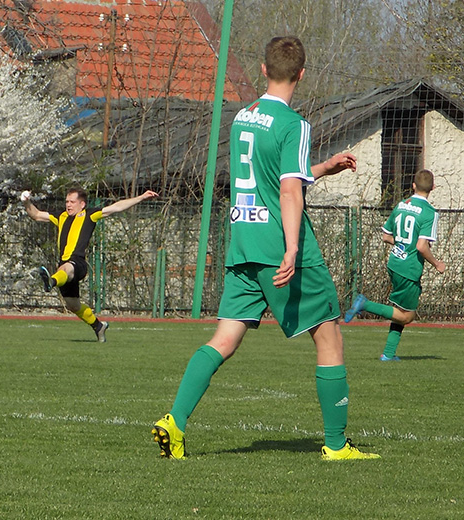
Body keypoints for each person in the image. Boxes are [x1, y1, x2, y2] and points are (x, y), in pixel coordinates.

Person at [151, 36, 380, 461]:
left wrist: (323, 168)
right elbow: (289, 191)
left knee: (223, 339)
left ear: (262, 69)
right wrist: (292, 248)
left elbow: (274, 175)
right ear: (302, 74)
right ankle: (336, 445)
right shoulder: (294, 124)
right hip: (279, 245)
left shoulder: (245, 116)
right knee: (329, 336)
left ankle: (175, 422)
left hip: (243, 242)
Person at [21, 187, 158, 342]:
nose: (68, 205)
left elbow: (117, 207)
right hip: (64, 269)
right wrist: (26, 202)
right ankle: (99, 326)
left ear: (82, 204)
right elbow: (37, 215)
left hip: (77, 264)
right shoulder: (61, 216)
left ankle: (50, 281)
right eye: (67, 201)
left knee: (67, 268)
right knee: (74, 306)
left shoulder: (89, 215)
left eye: (72, 202)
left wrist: (140, 197)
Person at [343, 169, 445, 360]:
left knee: (400, 310)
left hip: (395, 262)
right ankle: (365, 304)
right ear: (433, 187)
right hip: (409, 268)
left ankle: (388, 354)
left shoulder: (401, 205)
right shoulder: (430, 213)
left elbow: (386, 236)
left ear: (413, 185)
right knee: (407, 316)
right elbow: (422, 246)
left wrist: (402, 244)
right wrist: (437, 263)